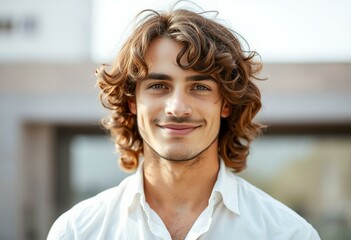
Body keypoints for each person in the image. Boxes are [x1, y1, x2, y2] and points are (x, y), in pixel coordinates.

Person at [48, 4, 320, 240]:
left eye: (200, 87)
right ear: (132, 101)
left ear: (226, 103)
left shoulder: (289, 233)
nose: (177, 108)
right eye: (158, 85)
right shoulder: (76, 232)